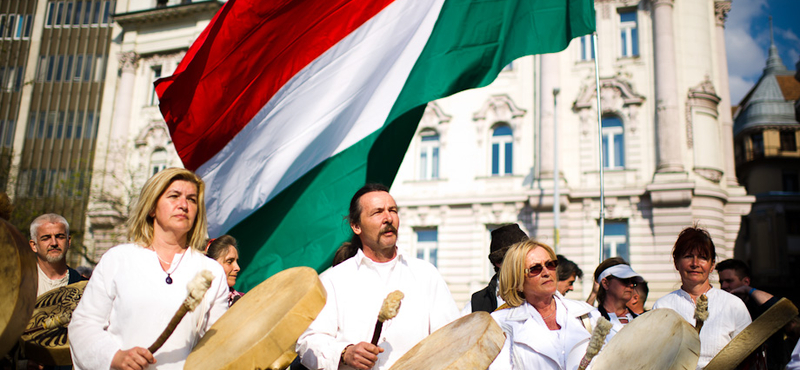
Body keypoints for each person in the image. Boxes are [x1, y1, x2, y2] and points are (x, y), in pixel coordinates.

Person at [69, 168, 230, 370]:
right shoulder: (118, 259)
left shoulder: (210, 271)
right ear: (152, 208)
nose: (183, 205)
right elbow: (84, 325)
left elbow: (217, 343)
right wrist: (115, 357)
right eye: (174, 196)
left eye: (191, 199)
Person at [296, 183, 459, 370]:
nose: (388, 218)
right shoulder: (334, 280)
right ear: (356, 226)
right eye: (377, 212)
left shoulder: (425, 274)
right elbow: (308, 342)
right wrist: (344, 352)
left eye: (393, 210)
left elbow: (451, 338)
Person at [489, 239, 597, 370]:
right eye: (535, 268)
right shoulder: (501, 323)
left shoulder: (587, 314)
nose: (547, 272)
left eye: (550, 264)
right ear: (517, 281)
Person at [653, 226, 751, 369]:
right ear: (676, 262)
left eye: (703, 258)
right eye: (688, 256)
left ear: (712, 265)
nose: (695, 264)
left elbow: (748, 356)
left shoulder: (733, 305)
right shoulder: (663, 307)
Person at [716, 258, 798, 369]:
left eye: (729, 281)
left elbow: (785, 312)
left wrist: (748, 290)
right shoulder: (720, 310)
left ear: (746, 281)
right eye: (722, 282)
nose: (724, 286)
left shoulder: (758, 307)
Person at [463, 223, 528, 314]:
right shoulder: (477, 303)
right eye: (518, 258)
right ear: (499, 262)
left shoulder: (541, 293)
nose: (526, 262)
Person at [29, 213, 87, 296]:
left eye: (60, 237)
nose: (54, 243)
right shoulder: (19, 284)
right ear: (34, 245)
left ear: (68, 241)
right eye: (46, 238)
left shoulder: (85, 287)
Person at [589, 257, 643, 342]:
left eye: (633, 282)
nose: (631, 285)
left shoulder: (641, 320)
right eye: (625, 280)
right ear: (605, 283)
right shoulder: (590, 320)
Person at [205, 235, 244, 307]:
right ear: (211, 264)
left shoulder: (245, 300)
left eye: (236, 261)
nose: (237, 268)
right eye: (229, 261)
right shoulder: (195, 304)